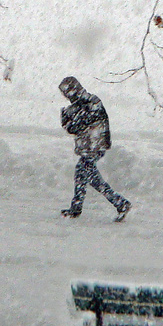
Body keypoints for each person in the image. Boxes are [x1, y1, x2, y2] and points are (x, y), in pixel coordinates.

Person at [58, 76, 131, 221]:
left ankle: (120, 203)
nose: (66, 97)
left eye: (67, 93)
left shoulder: (90, 101)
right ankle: (78, 208)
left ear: (73, 90)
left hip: (95, 147)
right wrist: (68, 120)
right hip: (90, 147)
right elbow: (74, 128)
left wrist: (68, 120)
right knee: (84, 174)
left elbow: (78, 125)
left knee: (87, 175)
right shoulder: (82, 104)